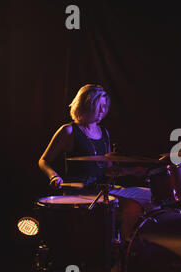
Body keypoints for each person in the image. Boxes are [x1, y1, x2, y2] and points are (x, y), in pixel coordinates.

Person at [38, 84, 152, 241]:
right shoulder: (69, 131)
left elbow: (108, 169)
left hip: (103, 190)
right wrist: (53, 176)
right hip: (81, 193)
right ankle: (124, 252)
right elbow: (44, 160)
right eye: (98, 107)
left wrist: (131, 171)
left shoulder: (104, 132)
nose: (102, 111)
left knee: (151, 196)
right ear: (85, 105)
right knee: (131, 207)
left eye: (105, 107)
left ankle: (143, 245)